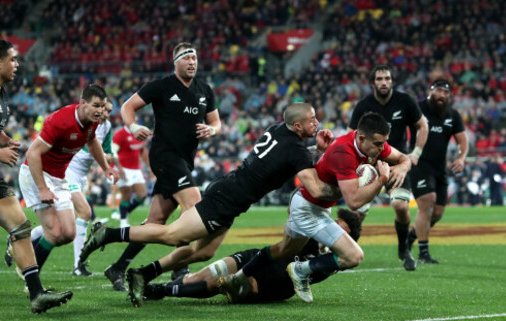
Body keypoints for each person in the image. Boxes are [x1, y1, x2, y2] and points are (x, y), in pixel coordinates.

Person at [80, 102, 340, 306]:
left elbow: (290, 157)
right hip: (226, 199)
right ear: (297, 125)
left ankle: (144, 274)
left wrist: (317, 150)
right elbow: (315, 187)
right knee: (172, 235)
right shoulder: (295, 149)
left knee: (203, 253)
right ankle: (108, 234)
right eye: (312, 120)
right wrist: (347, 184)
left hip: (230, 193)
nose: (317, 123)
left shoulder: (278, 130)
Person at [222, 111, 412, 303]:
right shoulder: (344, 153)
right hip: (308, 208)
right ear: (361, 138)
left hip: (311, 204)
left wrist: (402, 167)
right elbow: (354, 201)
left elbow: (403, 158)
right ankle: (300, 270)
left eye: (383, 143)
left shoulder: (372, 143)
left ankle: (237, 278)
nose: (382, 149)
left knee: (283, 250)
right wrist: (382, 179)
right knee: (353, 256)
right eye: (378, 144)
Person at [102, 42, 221, 291]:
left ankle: (118, 267)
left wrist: (212, 129)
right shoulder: (163, 85)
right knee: (195, 207)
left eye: (195, 58)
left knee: (155, 221)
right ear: (175, 62)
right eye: (187, 57)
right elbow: (127, 106)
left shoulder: (205, 90)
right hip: (164, 156)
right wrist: (133, 127)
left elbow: (216, 122)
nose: (192, 62)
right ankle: (180, 269)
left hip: (185, 160)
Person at [0, 39, 72, 313]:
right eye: (13, 59)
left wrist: (3, 140)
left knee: (21, 227)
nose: (17, 64)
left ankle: (36, 294)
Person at [142, 209, 361, 304]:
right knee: (197, 278)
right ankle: (182, 280)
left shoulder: (331, 263)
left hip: (270, 284)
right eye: (334, 226)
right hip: (255, 258)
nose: (332, 233)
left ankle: (162, 291)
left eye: (340, 233)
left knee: (218, 285)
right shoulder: (311, 231)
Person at [17, 84, 116, 275]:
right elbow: (32, 153)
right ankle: (31, 280)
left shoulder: (93, 122)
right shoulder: (60, 120)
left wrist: (105, 168)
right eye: (96, 105)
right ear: (83, 103)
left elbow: (92, 140)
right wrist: (42, 188)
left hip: (58, 176)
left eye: (102, 106)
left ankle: (24, 248)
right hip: (36, 173)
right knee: (54, 232)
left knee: (69, 233)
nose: (100, 111)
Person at [348, 64, 428, 271]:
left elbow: (423, 125)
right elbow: (350, 136)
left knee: (401, 206)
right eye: (379, 79)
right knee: (358, 212)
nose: (384, 82)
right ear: (373, 82)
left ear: (392, 81)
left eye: (387, 79)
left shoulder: (405, 101)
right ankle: (345, 250)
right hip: (368, 165)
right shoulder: (364, 105)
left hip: (396, 164)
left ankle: (404, 248)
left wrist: (415, 154)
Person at [406, 79, 468, 264]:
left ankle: (411, 238)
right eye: (439, 91)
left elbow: (463, 141)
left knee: (438, 213)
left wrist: (462, 157)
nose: (442, 95)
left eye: (446, 92)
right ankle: (423, 253)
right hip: (419, 164)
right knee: (427, 201)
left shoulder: (452, 115)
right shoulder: (417, 109)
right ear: (431, 91)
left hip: (440, 168)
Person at [63, 100, 115, 276]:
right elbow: (90, 150)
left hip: (80, 176)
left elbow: (108, 153)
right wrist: (102, 157)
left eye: (109, 111)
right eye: (103, 109)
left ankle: (22, 239)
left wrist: (107, 160)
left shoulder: (107, 127)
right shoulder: (86, 123)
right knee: (85, 212)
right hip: (67, 171)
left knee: (61, 226)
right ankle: (78, 265)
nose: (106, 113)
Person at [112, 122, 148, 228]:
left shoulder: (139, 133)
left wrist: (148, 166)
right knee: (126, 195)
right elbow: (113, 152)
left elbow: (141, 150)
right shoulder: (120, 134)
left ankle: (124, 211)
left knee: (143, 195)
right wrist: (119, 169)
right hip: (123, 168)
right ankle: (123, 221)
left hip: (136, 170)